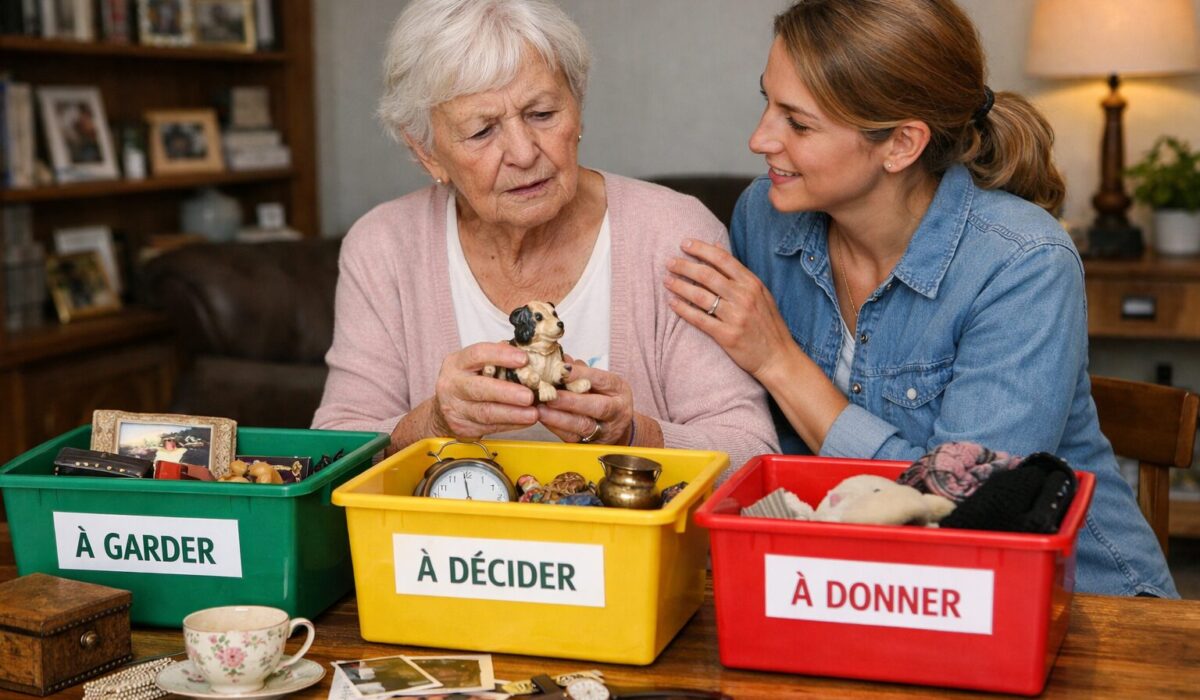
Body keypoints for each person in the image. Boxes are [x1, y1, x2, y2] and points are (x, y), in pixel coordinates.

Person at [664, 0, 1175, 597]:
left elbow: (968, 512)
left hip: (1075, 604)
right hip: (867, 588)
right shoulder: (767, 216)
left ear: (902, 144)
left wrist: (779, 361)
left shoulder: (1023, 261)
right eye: (766, 102)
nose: (760, 139)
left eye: (798, 124)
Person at [312, 0, 777, 470]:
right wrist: (432, 425)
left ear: (577, 108)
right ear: (427, 154)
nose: (522, 152)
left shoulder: (673, 235)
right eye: (481, 131)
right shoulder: (383, 248)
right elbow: (331, 453)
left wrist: (636, 434)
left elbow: (752, 453)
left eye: (541, 113)